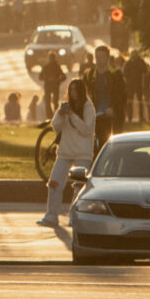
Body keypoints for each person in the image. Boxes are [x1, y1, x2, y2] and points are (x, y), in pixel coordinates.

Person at [38, 77, 99, 230]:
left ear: (81, 91)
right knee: (54, 183)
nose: (72, 94)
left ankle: (74, 217)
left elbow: (87, 130)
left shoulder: (88, 107)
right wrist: (60, 113)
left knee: (79, 187)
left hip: (82, 153)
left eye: (75, 90)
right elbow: (56, 127)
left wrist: (72, 115)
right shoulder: (67, 106)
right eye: (70, 90)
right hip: (65, 151)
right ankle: (51, 215)